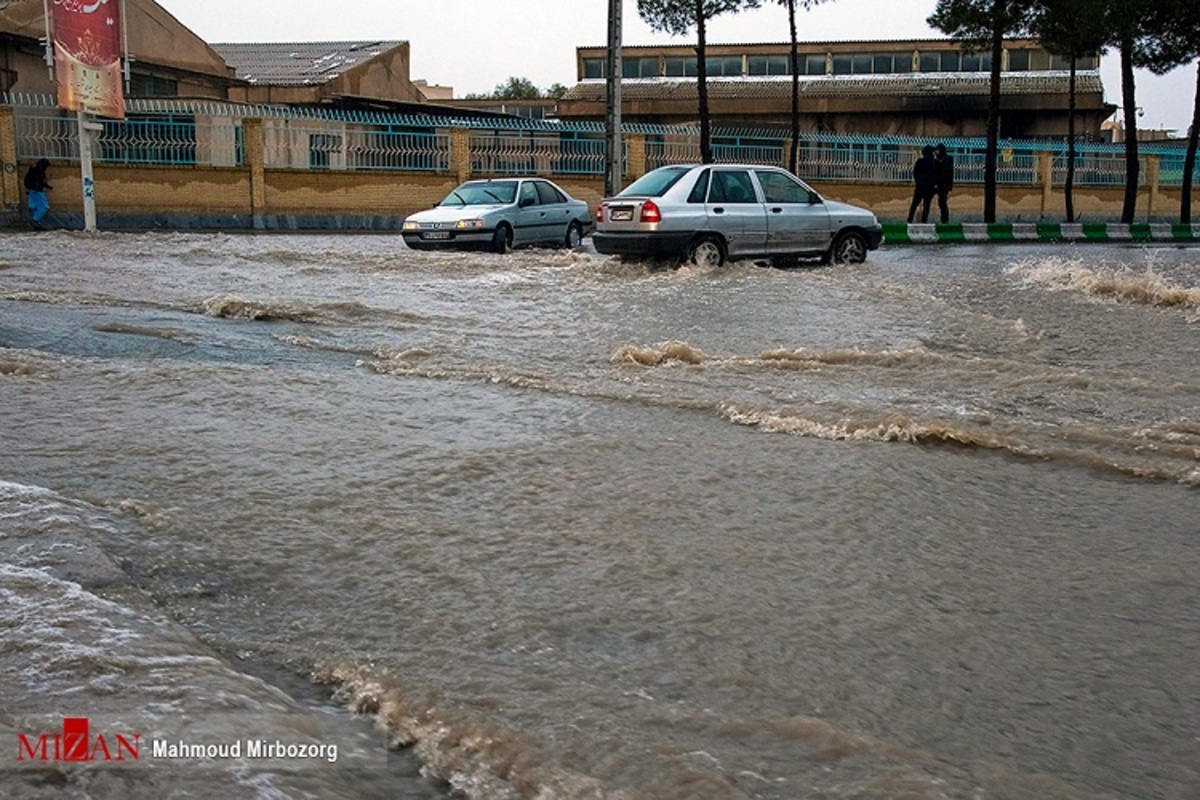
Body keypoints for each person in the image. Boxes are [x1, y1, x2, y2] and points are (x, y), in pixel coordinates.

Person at [906, 145, 936, 224]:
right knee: (927, 205)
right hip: (929, 187)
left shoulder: (920, 161)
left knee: (915, 203)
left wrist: (918, 181)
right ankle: (924, 221)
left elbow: (915, 173)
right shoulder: (934, 163)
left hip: (920, 186)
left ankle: (910, 219)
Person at [23, 158, 52, 229]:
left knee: (35, 207)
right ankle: (34, 220)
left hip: (32, 191)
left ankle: (35, 223)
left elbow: (28, 180)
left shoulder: (35, 170)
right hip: (37, 190)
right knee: (45, 207)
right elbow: (38, 181)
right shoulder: (37, 171)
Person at [934, 143, 954, 224]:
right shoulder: (938, 160)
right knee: (941, 201)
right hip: (940, 184)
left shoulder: (947, 159)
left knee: (942, 201)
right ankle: (944, 218)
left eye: (937, 150)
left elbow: (949, 172)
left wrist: (949, 185)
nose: (936, 152)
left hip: (945, 184)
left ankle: (945, 218)